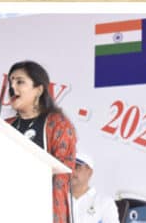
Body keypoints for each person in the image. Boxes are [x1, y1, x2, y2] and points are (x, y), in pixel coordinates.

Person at [6, 60, 76, 223]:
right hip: (8, 208)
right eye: (11, 82)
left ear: (38, 90)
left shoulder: (58, 124)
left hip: (42, 210)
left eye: (20, 82)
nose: (12, 88)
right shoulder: (4, 125)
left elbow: (62, 172)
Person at [70, 152, 119, 223]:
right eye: (70, 167)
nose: (72, 171)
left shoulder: (105, 202)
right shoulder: (58, 198)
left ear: (90, 172)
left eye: (77, 167)